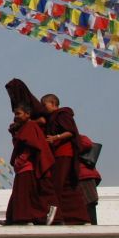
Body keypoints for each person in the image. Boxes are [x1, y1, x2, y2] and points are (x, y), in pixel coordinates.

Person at [40, 94, 90, 225]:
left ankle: (54, 217)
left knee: (55, 185)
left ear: (53, 103)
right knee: (68, 187)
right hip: (58, 153)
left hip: (64, 153)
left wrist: (55, 137)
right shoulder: (51, 117)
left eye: (44, 104)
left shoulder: (62, 114)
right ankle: (78, 217)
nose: (43, 108)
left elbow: (71, 132)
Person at [3, 103, 54, 225]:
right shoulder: (23, 127)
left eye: (19, 114)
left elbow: (30, 146)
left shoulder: (30, 125)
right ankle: (13, 218)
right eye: (15, 114)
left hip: (27, 166)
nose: (16, 116)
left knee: (25, 194)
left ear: (28, 114)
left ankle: (26, 218)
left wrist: (20, 161)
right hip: (23, 167)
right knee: (18, 193)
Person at [76, 135, 102, 224]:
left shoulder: (77, 138)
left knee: (89, 204)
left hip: (84, 176)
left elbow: (87, 143)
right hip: (84, 176)